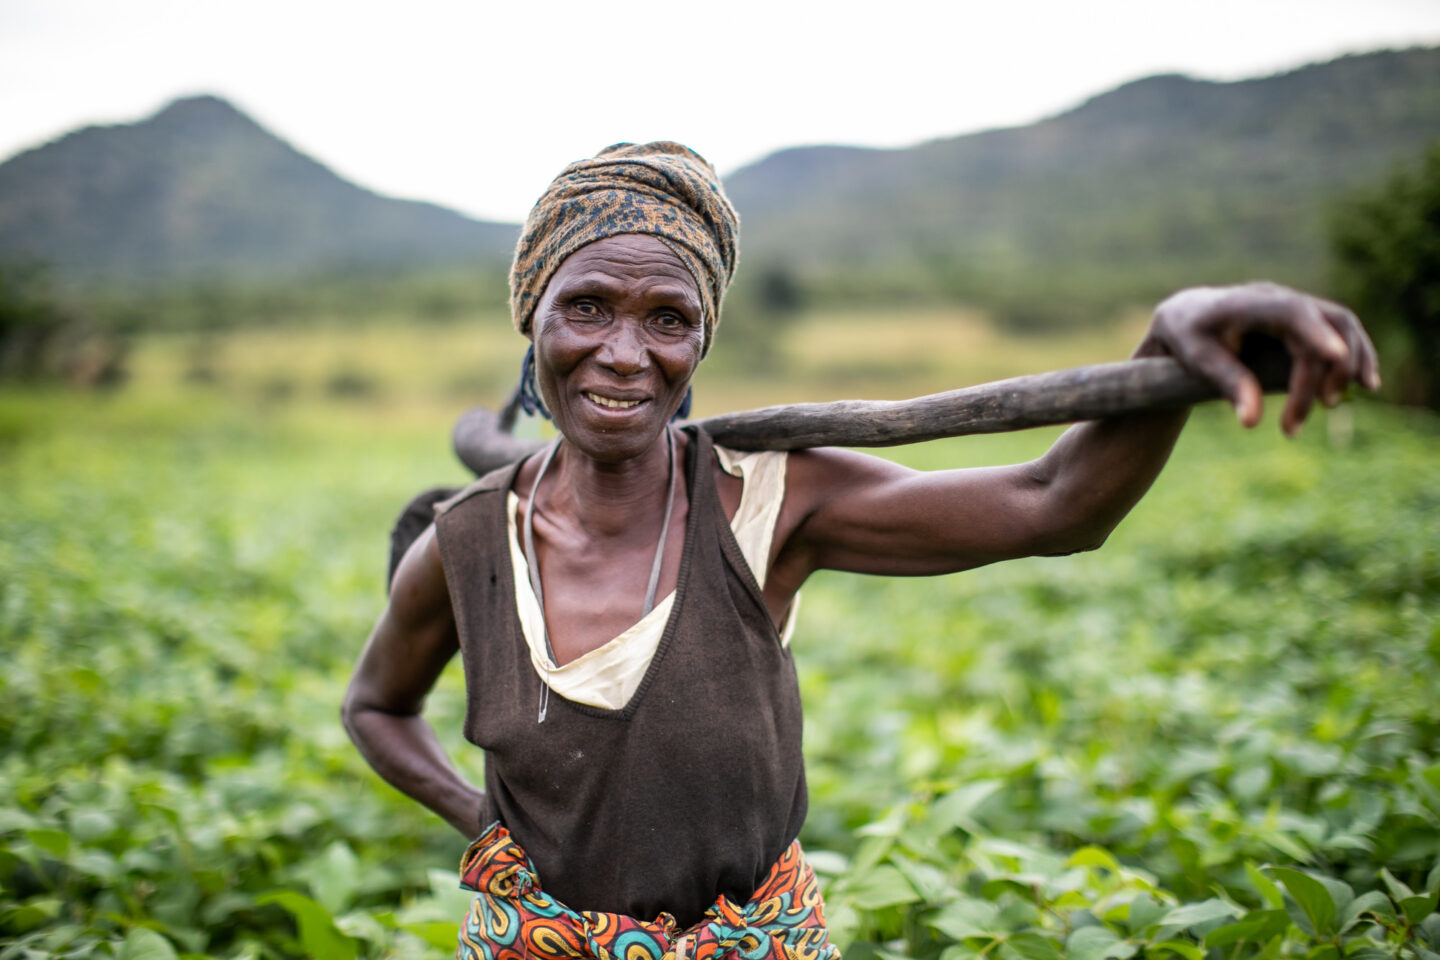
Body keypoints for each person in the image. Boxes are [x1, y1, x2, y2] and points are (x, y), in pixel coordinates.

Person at [341, 142, 1378, 960]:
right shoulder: (470, 540)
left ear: (702, 344)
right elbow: (376, 706)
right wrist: (487, 821)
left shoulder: (771, 503)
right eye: (588, 308)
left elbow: (1054, 501)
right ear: (535, 321)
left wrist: (1173, 332)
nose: (624, 352)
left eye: (669, 318)